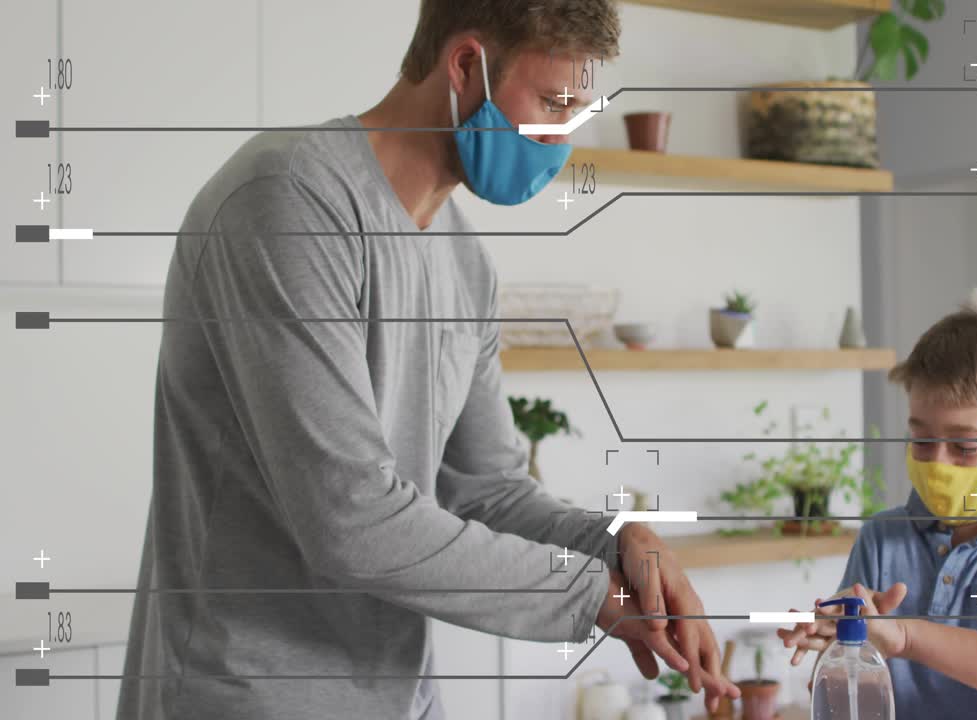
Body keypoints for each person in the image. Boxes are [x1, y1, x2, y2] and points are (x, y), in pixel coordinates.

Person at [117, 2, 736, 718]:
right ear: (466, 65)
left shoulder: (464, 264)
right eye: (552, 102)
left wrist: (618, 546)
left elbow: (490, 491)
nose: (560, 136)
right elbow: (350, 518)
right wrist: (590, 591)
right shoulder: (287, 201)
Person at [779, 289, 977, 718]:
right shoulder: (882, 539)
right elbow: (849, 702)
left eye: (964, 446)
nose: (937, 462)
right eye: (921, 439)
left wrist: (907, 637)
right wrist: (843, 649)